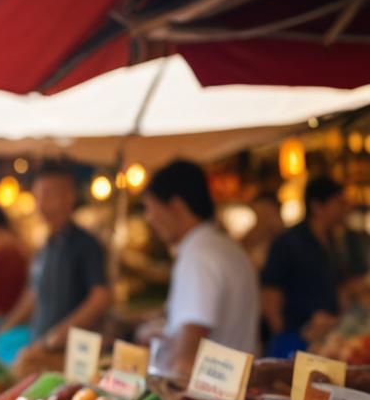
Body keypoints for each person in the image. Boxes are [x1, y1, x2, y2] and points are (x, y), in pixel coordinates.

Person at [140, 160, 260, 376]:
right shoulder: (224, 246)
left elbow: (187, 354)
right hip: (233, 392)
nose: (148, 218)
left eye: (150, 208)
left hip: (208, 398)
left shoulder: (198, 256)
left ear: (176, 206)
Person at [0, 164, 110, 358]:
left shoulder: (86, 244)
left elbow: (100, 297)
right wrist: (3, 330)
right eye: (38, 196)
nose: (41, 204)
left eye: (49, 195)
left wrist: (56, 337)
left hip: (70, 355)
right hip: (39, 348)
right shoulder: (46, 246)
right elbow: (32, 295)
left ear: (70, 197)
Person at [261, 176, 349, 357]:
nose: (345, 209)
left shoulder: (332, 241)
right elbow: (270, 296)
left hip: (325, 342)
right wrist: (288, 336)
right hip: (294, 342)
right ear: (317, 206)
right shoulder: (288, 242)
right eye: (339, 203)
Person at [240, 191, 284, 270]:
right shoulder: (252, 236)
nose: (260, 220)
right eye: (257, 214)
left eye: (264, 212)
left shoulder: (287, 239)